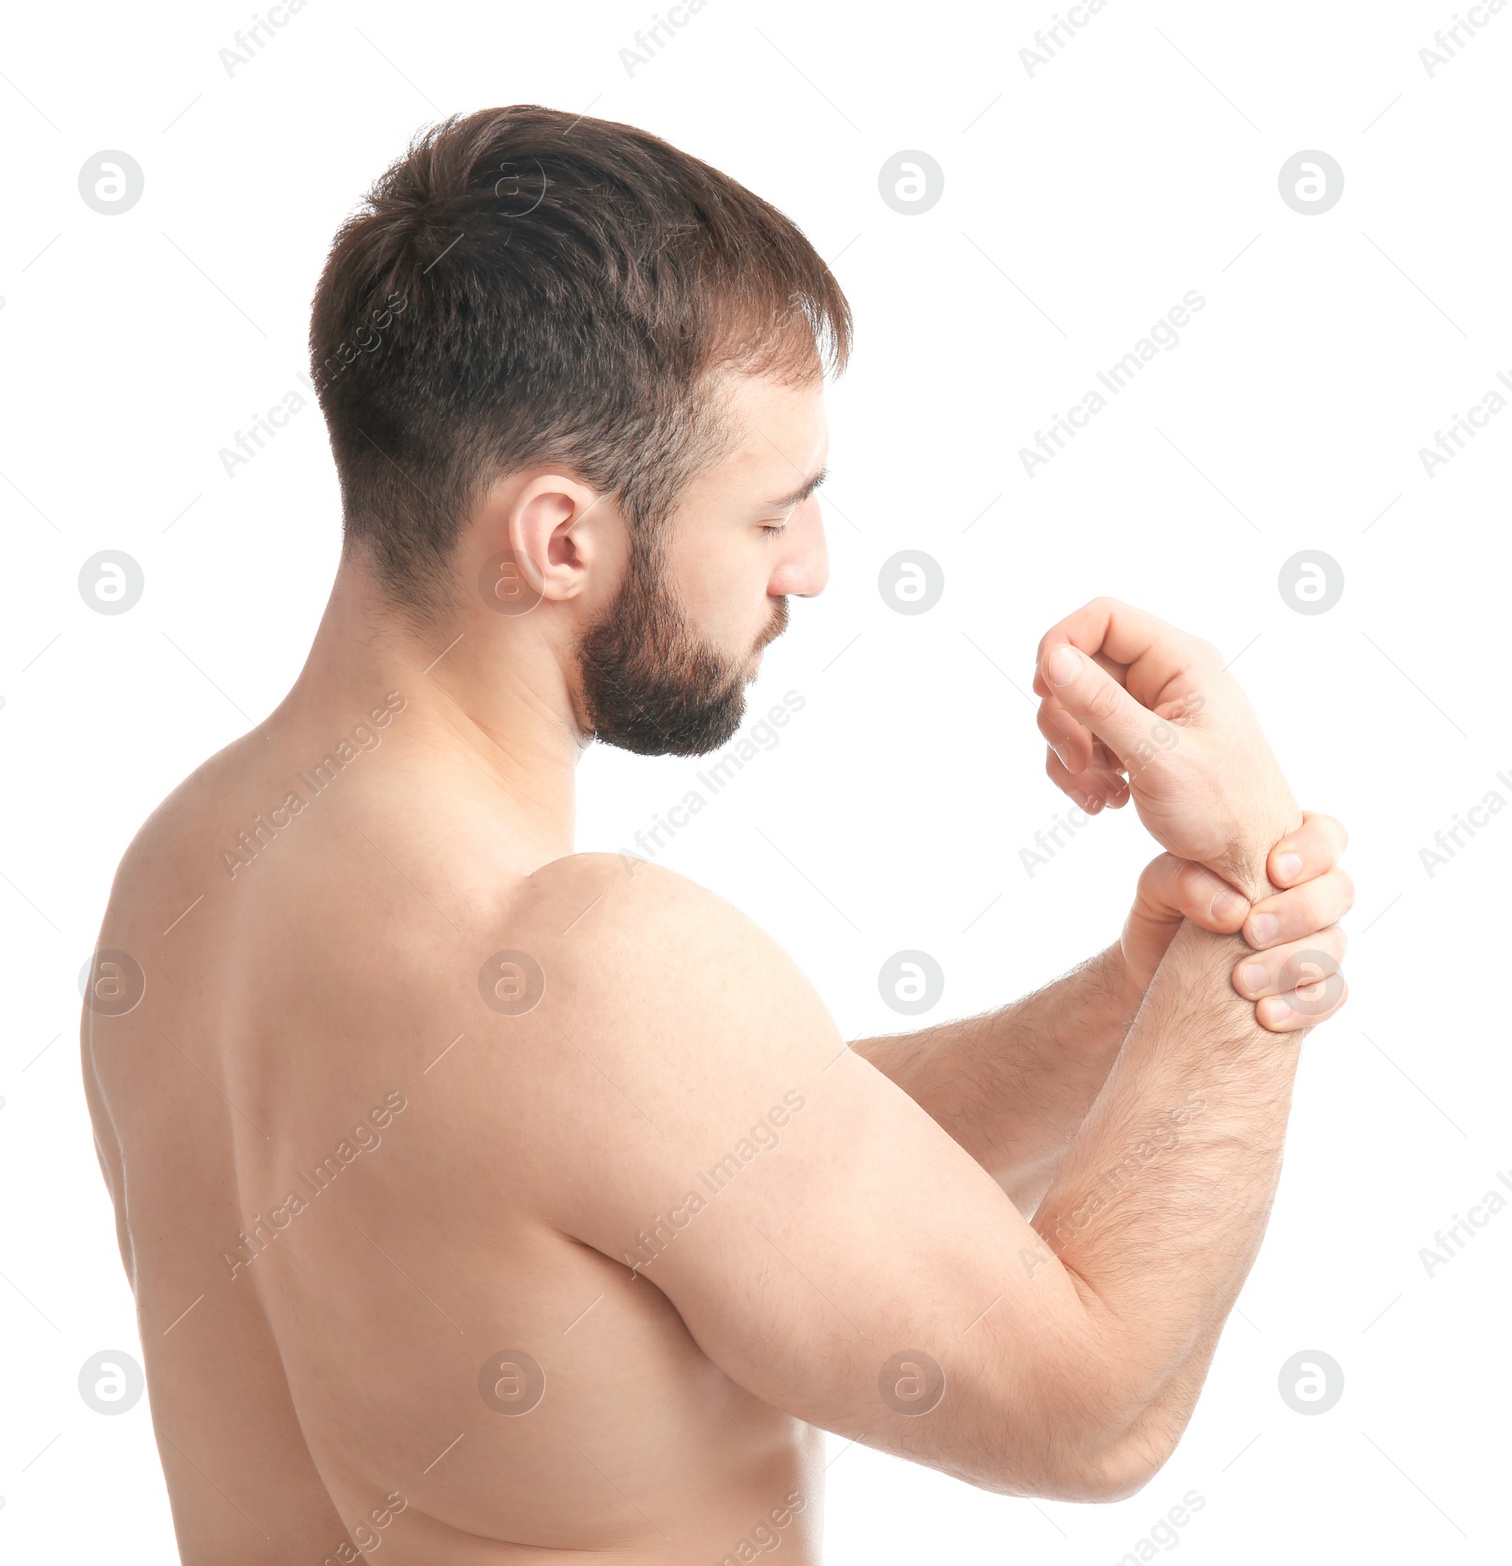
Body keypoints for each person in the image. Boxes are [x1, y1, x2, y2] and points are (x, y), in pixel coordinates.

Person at [81, 105, 1352, 1564]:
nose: (811, 566)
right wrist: (1257, 902)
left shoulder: (179, 879)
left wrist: (1124, 1009)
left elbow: (700, 1170)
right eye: (772, 513)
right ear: (562, 540)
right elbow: (1095, 1409)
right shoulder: (592, 969)